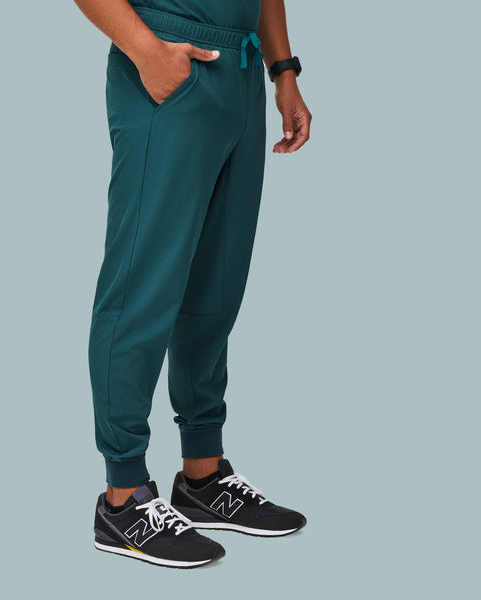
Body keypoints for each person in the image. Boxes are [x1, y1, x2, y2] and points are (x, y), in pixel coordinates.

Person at [73, 0, 312, 568]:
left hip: (242, 72)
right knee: (142, 286)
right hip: (169, 61)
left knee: (216, 287)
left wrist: (283, 71)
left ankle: (203, 476)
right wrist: (147, 52)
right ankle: (123, 496)